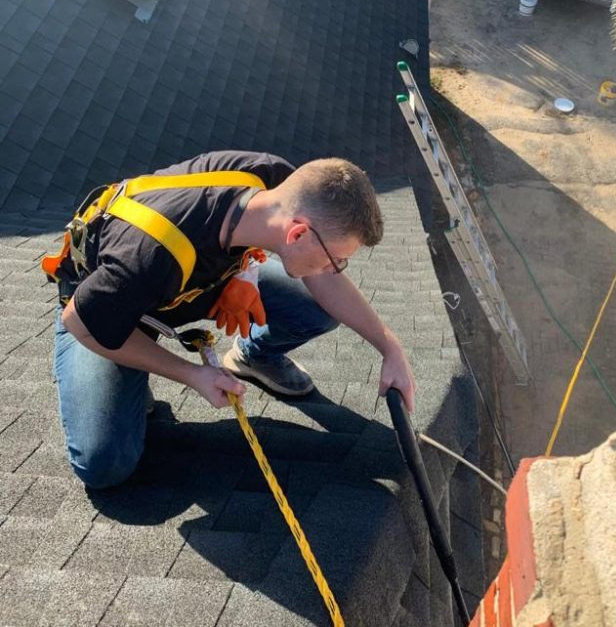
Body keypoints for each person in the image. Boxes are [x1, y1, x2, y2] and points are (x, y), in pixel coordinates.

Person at [46, 150, 417, 489]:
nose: (335, 269)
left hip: (184, 281)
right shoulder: (150, 254)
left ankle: (253, 356)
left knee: (316, 308)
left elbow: (321, 279)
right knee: (105, 464)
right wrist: (192, 374)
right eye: (336, 260)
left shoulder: (272, 181)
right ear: (298, 232)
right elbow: (81, 323)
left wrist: (390, 348)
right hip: (108, 308)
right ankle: (132, 376)